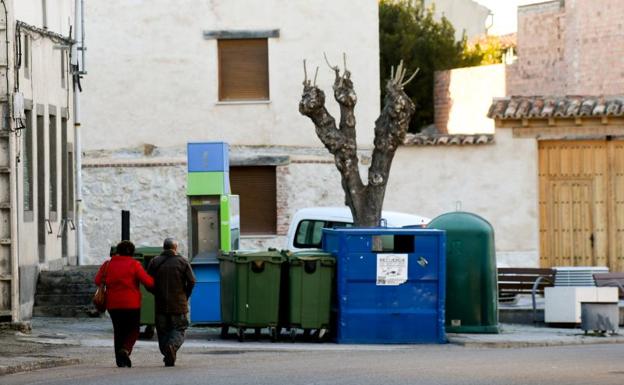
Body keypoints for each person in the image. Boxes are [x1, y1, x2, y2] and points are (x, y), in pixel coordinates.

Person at [94, 240, 154, 368]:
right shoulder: (134, 264)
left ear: (117, 251)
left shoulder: (107, 265)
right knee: (134, 330)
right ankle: (125, 350)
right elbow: (148, 282)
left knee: (118, 331)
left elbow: (97, 280)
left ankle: (120, 360)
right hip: (131, 304)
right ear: (132, 252)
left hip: (113, 304)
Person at [147, 238, 196, 367]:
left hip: (161, 303)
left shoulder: (154, 262)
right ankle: (172, 347)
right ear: (175, 248)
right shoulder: (182, 262)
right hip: (178, 304)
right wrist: (185, 295)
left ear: (163, 248)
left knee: (162, 331)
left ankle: (167, 352)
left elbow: (148, 282)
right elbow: (192, 281)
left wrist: (155, 292)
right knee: (179, 328)